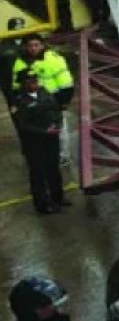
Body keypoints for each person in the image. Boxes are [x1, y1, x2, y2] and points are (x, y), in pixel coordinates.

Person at [11, 35, 74, 166]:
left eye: (36, 45)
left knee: (59, 129)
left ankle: (63, 156)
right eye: (30, 46)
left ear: (42, 45)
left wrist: (63, 102)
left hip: (53, 101)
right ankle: (47, 156)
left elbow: (66, 83)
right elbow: (16, 85)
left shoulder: (54, 59)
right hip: (32, 103)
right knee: (40, 131)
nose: (33, 48)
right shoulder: (20, 62)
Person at [11, 70, 67, 214]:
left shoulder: (44, 92)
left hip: (51, 139)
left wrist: (57, 124)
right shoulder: (20, 101)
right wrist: (44, 131)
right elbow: (24, 125)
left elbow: (56, 109)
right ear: (23, 84)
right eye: (30, 81)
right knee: (38, 174)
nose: (34, 84)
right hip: (35, 143)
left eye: (35, 80)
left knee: (53, 169)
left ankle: (58, 198)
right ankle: (43, 205)